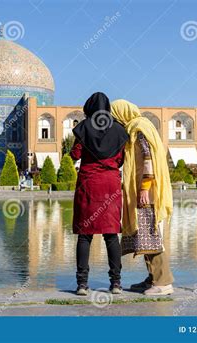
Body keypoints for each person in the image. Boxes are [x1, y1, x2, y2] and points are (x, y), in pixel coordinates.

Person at [111, 99, 174, 296]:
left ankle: (163, 283)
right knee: (144, 236)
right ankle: (152, 278)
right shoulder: (138, 127)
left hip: (148, 192)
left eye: (115, 117)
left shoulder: (139, 129)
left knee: (152, 236)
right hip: (145, 190)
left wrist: (145, 187)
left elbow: (148, 159)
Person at [70, 92, 129, 296]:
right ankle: (116, 283)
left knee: (85, 236)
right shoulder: (119, 130)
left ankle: (82, 284)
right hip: (110, 185)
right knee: (111, 235)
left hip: (89, 183)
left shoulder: (84, 128)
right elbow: (121, 159)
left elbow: (75, 154)